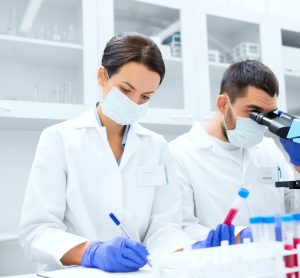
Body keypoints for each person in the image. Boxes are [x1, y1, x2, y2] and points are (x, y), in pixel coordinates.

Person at [19, 33, 234, 273]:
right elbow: (37, 231)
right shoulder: (59, 139)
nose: (134, 102)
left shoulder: (156, 146)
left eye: (145, 97)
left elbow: (162, 227)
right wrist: (91, 252)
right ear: (103, 76)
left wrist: (188, 250)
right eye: (125, 89)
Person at [169, 60, 298, 242]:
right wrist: (239, 236)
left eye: (268, 115)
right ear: (223, 104)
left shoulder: (268, 148)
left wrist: (299, 167)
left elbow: (294, 210)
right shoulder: (180, 153)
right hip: (222, 264)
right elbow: (181, 228)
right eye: (254, 112)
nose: (261, 122)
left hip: (276, 264)